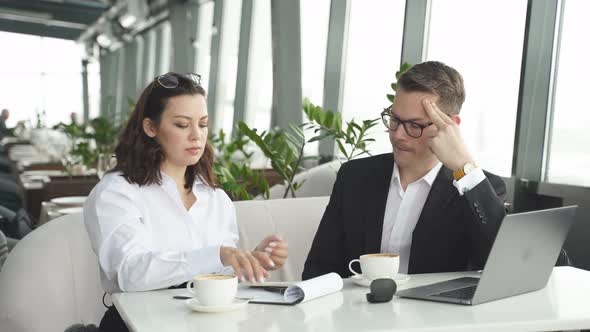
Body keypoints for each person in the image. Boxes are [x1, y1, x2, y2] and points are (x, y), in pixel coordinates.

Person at [84, 72, 288, 332]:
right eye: (182, 125)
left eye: (202, 124)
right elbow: (130, 274)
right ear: (150, 127)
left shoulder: (216, 198)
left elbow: (217, 280)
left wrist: (248, 260)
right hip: (138, 324)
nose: (196, 136)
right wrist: (218, 254)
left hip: (208, 324)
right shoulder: (116, 194)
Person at [302, 61, 506, 280]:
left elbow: (500, 264)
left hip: (436, 313)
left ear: (449, 126)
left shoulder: (477, 188)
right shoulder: (355, 177)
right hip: (357, 310)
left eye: (414, 126)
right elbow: (318, 269)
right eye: (395, 120)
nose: (398, 135)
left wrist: (465, 168)